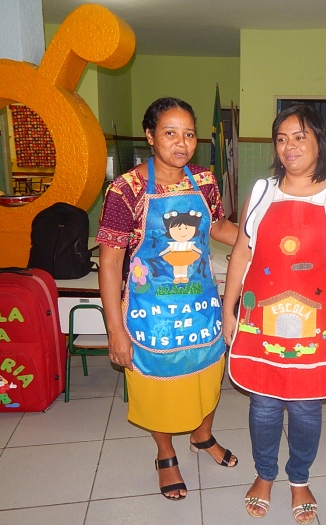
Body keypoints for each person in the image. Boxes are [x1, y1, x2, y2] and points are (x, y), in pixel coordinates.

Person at [222, 104, 326, 524]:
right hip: (262, 322)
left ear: (320, 143)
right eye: (282, 138)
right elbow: (242, 253)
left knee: (307, 408)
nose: (289, 146)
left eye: (300, 137)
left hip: (316, 326)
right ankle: (264, 474)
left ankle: (299, 479)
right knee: (264, 404)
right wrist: (229, 308)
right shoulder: (261, 192)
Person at [97, 97, 239, 501]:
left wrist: (262, 240)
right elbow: (111, 262)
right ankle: (165, 454)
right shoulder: (127, 189)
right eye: (170, 133)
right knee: (158, 387)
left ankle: (203, 435)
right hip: (151, 312)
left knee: (207, 374)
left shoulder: (204, 180)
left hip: (201, 306)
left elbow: (218, 227)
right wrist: (115, 331)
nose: (182, 143)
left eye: (189, 134)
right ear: (150, 136)